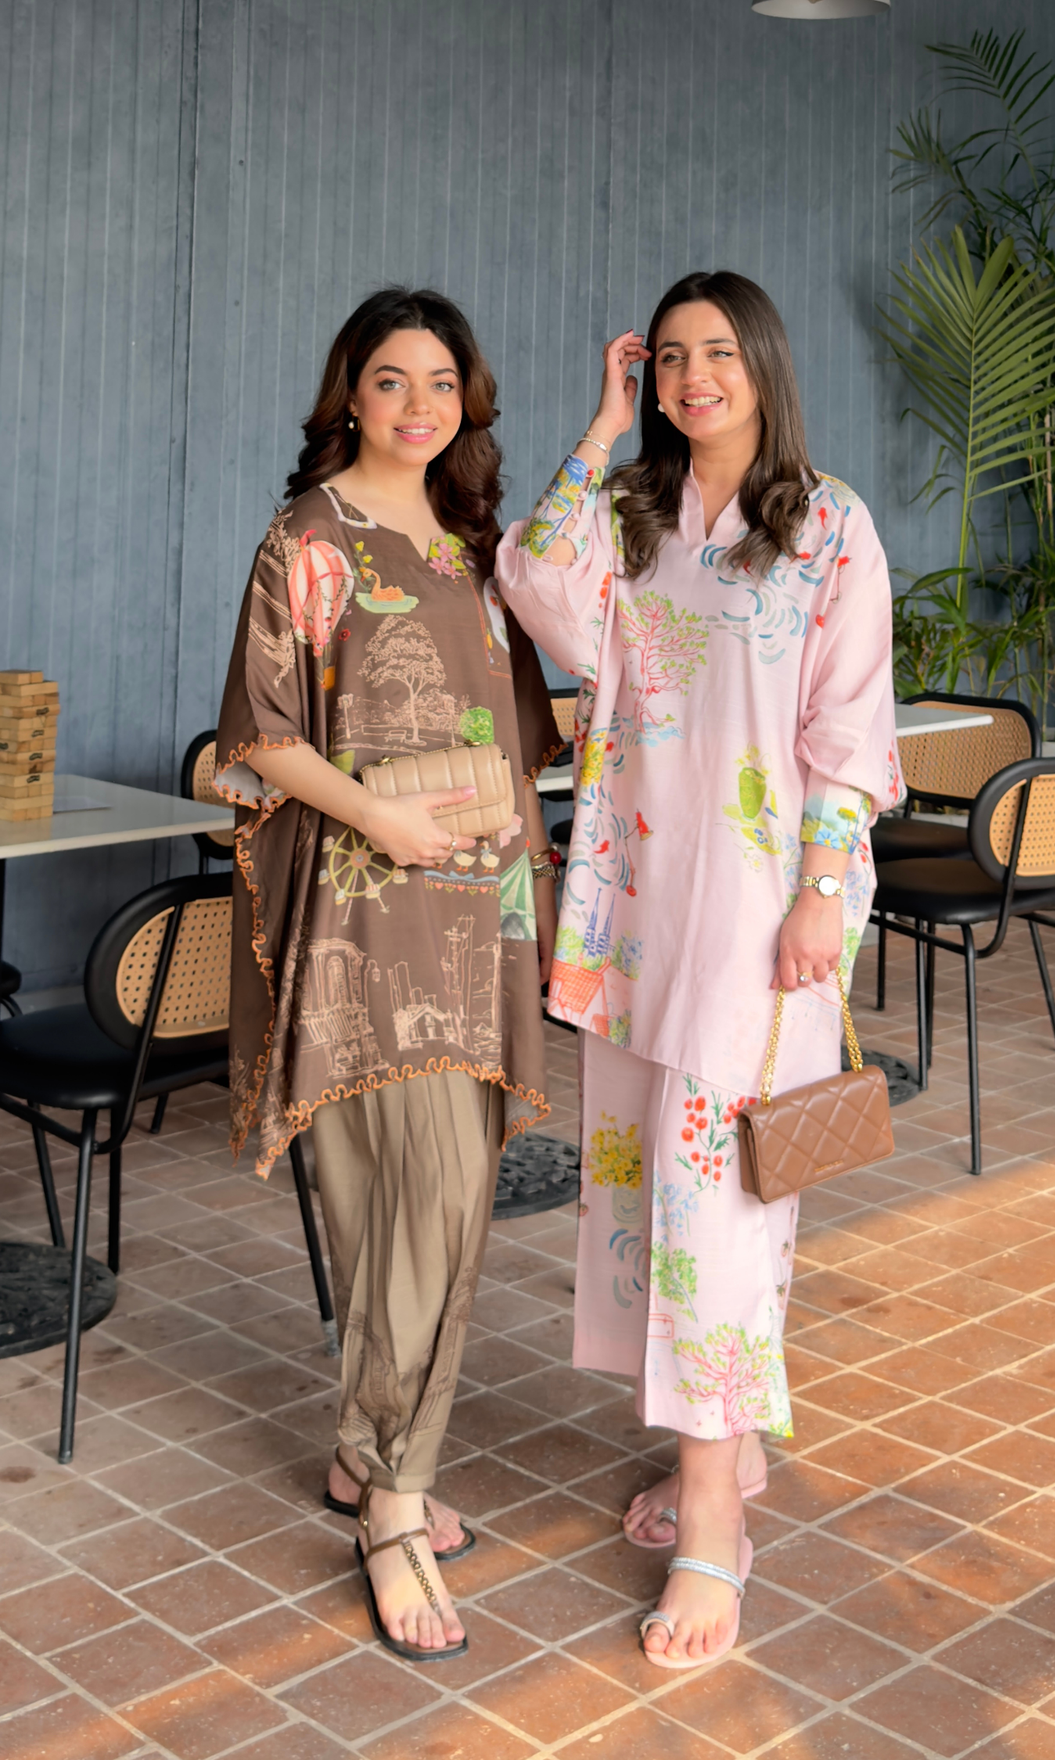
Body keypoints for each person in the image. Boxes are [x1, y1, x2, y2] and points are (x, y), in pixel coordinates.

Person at [496, 270, 900, 1669]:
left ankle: (717, 1521)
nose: (692, 378)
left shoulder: (830, 526)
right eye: (668, 358)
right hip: (636, 911)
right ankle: (722, 1443)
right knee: (650, 1194)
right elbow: (530, 580)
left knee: (719, 1201)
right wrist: (600, 429)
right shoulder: (634, 517)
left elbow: (852, 731)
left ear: (762, 362)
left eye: (716, 352)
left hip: (758, 919)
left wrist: (822, 895)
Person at [216, 286, 561, 1662]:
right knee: (407, 1203)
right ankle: (396, 1506)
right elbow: (262, 735)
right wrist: (384, 821)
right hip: (368, 915)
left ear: (467, 401)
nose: (419, 407)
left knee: (441, 1199)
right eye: (390, 381)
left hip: (482, 914)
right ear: (347, 394)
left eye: (442, 384)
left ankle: (365, 1454)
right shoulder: (307, 540)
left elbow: (520, 728)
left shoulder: (473, 546)